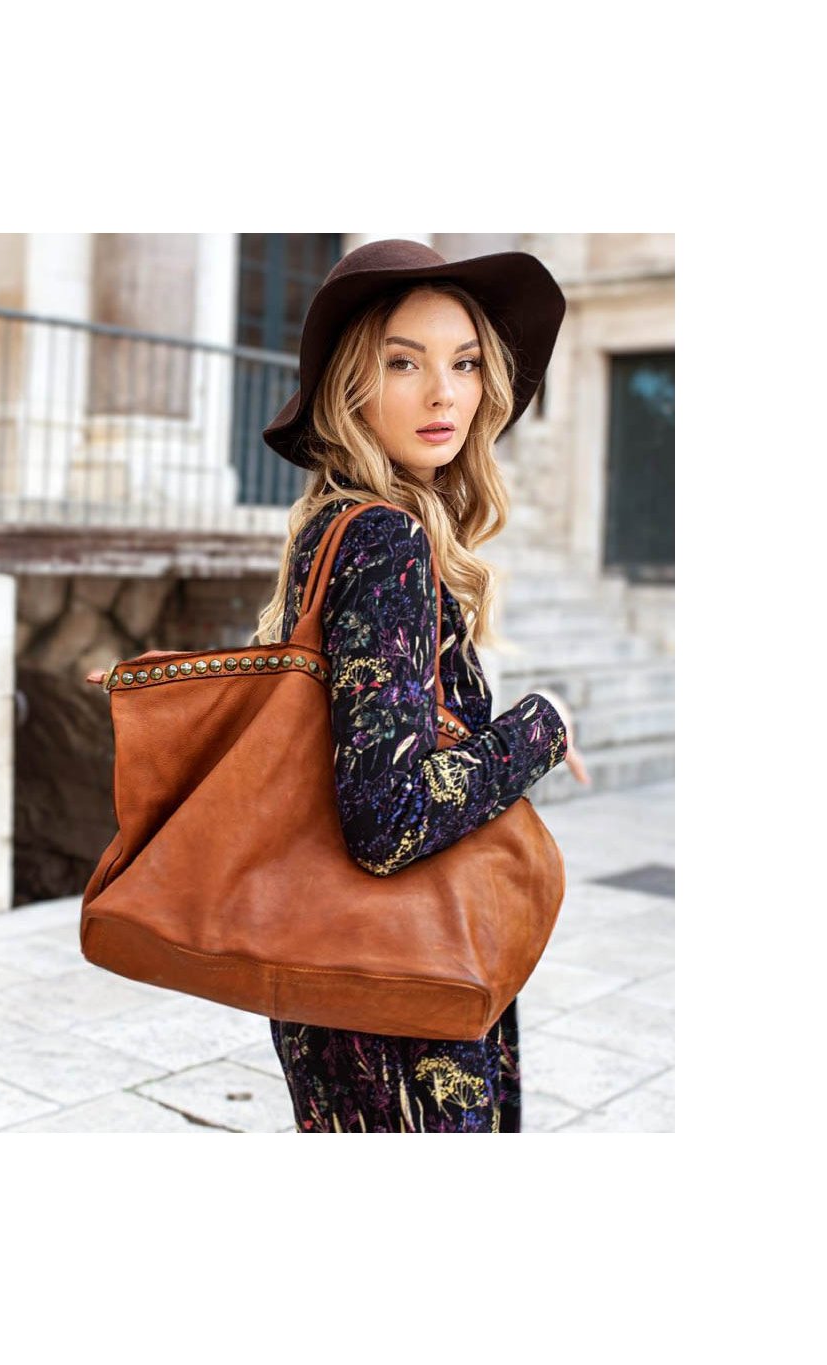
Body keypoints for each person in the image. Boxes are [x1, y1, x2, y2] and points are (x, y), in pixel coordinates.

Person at [254, 239, 590, 1133]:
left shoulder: (333, 524)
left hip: (342, 982)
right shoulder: (386, 540)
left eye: (465, 363)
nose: (444, 393)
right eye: (404, 362)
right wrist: (542, 725)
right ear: (351, 386)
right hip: (403, 1002)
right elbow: (388, 817)